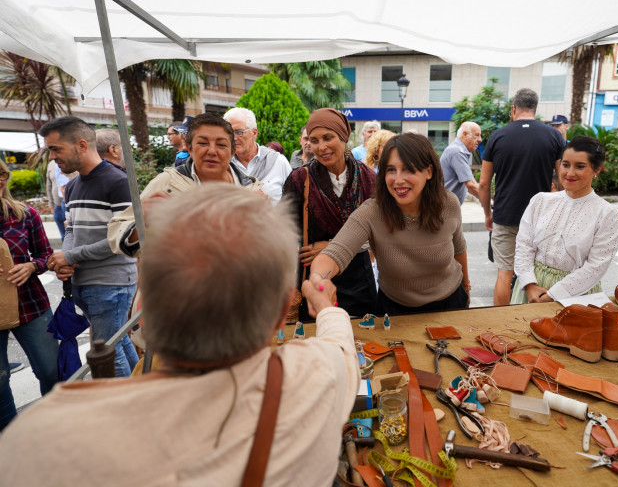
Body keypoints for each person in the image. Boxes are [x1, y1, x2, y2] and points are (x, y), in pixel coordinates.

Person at [0, 184, 360, 486]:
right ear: (283, 312)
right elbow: (340, 344)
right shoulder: (314, 375)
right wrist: (326, 308)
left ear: (142, 306)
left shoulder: (39, 441)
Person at [310, 133, 470, 315]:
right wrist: (317, 281)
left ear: (429, 172)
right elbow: (334, 253)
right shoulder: (372, 211)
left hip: (451, 304)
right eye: (391, 170)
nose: (398, 180)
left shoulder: (448, 203)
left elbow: (459, 249)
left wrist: (467, 287)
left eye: (409, 169)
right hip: (394, 311)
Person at [40, 116, 138, 378]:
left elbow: (121, 241)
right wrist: (67, 261)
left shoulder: (118, 182)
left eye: (55, 148)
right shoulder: (71, 186)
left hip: (111, 282)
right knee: (117, 342)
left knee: (107, 352)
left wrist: (70, 255)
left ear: (81, 145)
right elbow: (71, 229)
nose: (52, 157)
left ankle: (127, 414)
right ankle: (141, 390)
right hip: (85, 281)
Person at [108, 112, 264, 258]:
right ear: (189, 148)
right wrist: (141, 223)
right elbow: (117, 233)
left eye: (221, 145)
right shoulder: (167, 183)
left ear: (232, 151)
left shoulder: (251, 190)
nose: (211, 151)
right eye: (202, 143)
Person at [283, 108, 376, 319]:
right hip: (313, 279)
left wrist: (331, 246)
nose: (321, 147)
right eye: (314, 140)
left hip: (358, 279)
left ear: (344, 137)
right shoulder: (299, 179)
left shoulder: (368, 179)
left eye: (328, 137)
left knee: (363, 341)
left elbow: (380, 234)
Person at [479, 88, 564, 305]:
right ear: (535, 109)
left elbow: (483, 183)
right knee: (536, 275)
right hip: (541, 218)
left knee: (504, 274)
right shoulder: (554, 136)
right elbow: (564, 179)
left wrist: (488, 214)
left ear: (513, 109)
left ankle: (499, 329)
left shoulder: (498, 136)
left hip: (505, 215)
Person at [512, 136, 618, 303]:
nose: (569, 173)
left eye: (580, 166)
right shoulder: (540, 201)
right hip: (531, 289)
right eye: (565, 164)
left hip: (575, 294)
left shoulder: (608, 214)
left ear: (597, 170)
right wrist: (529, 284)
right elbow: (524, 245)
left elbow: (596, 267)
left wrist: (554, 295)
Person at [0, 161, 59, 431]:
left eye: (1, 175)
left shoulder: (24, 215)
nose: (0, 181)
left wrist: (33, 266)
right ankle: (9, 436)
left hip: (30, 305)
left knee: (51, 370)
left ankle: (53, 425)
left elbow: (47, 255)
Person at [224, 107, 292, 204]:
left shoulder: (278, 162)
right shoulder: (224, 165)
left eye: (239, 132)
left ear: (254, 133)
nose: (233, 138)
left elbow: (294, 203)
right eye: (229, 133)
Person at [440, 121, 481, 205]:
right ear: (465, 134)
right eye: (477, 135)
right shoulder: (457, 152)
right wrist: (489, 201)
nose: (480, 139)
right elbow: (471, 184)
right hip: (445, 208)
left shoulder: (456, 149)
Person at [45, 160, 66, 240]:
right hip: (58, 205)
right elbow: (49, 185)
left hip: (71, 205)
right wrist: (51, 204)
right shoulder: (51, 164)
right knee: (63, 236)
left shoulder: (72, 160)